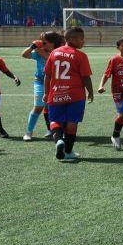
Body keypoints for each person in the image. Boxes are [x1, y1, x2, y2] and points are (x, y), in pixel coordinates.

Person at [44, 27, 95, 163]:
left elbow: (47, 76)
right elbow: (85, 77)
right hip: (76, 95)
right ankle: (68, 151)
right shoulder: (81, 56)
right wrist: (90, 91)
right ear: (70, 39)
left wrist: (46, 93)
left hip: (56, 93)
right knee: (72, 122)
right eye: (80, 39)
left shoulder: (54, 53)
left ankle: (59, 140)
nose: (83, 41)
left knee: (55, 120)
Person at [21, 31, 61, 141]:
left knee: (53, 107)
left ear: (53, 43)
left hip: (55, 83)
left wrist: (39, 50)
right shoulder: (39, 51)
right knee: (38, 107)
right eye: (41, 40)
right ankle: (29, 132)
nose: (42, 43)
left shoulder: (58, 52)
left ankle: (53, 130)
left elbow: (50, 58)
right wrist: (31, 47)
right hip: (40, 82)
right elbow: (24, 54)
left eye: (45, 42)